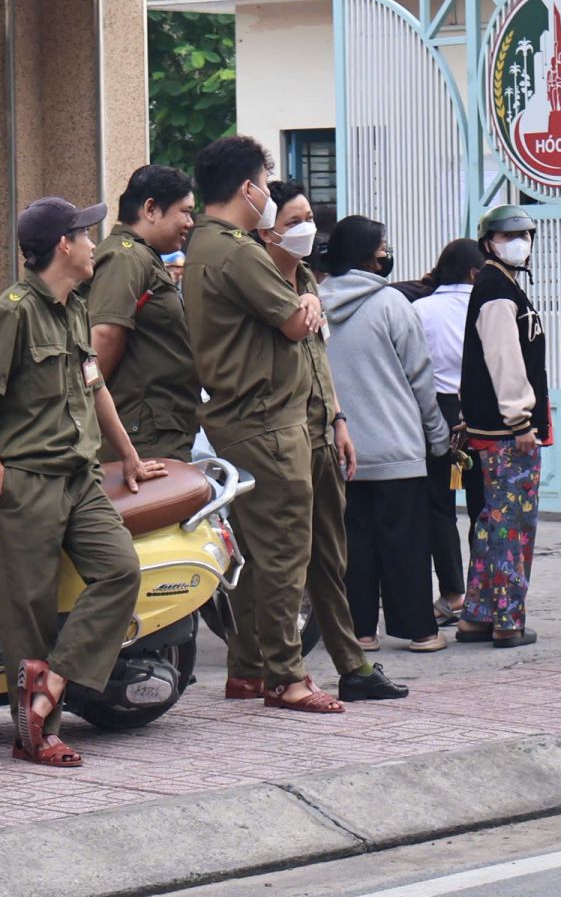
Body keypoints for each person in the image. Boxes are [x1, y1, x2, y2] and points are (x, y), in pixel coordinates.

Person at [186, 139, 402, 712]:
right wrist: (302, 311)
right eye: (294, 217)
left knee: (282, 553)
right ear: (249, 191)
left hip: (286, 421)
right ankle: (287, 675)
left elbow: (310, 345)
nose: (306, 228)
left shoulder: (228, 252)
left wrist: (336, 417)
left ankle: (255, 667)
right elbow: (292, 325)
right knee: (286, 554)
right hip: (268, 421)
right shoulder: (236, 252)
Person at [0, 196, 159, 769]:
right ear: (63, 245)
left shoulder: (75, 306)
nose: (96, 243)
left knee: (120, 570)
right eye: (86, 234)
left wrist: (131, 457)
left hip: (81, 479)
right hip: (27, 481)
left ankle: (54, 684)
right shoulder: (12, 311)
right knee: (29, 613)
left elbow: (95, 387)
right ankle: (35, 733)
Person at [319, 215, 452, 653]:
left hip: (343, 451)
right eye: (382, 246)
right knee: (406, 545)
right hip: (398, 447)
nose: (386, 253)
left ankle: (361, 632)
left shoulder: (312, 304)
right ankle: (420, 631)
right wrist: (437, 435)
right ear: (366, 255)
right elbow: (420, 377)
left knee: (354, 545)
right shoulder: (393, 305)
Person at [457, 205, 550, 649]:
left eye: (525, 234)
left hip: (495, 431)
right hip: (507, 432)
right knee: (512, 525)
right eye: (508, 234)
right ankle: (508, 621)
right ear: (488, 241)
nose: (519, 241)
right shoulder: (496, 290)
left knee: (492, 521)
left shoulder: (501, 284)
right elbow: (504, 361)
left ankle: (476, 615)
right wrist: (521, 421)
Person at [89, 165, 201, 462]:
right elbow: (106, 335)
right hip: (142, 433)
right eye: (185, 211)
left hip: (156, 427)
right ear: (151, 208)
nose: (190, 222)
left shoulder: (141, 256)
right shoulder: (126, 256)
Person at [415, 239, 485, 624]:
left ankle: (453, 592)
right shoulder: (488, 306)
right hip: (481, 410)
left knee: (439, 505)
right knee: (483, 506)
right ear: (475, 272)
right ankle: (481, 594)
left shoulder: (420, 309)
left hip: (435, 410)